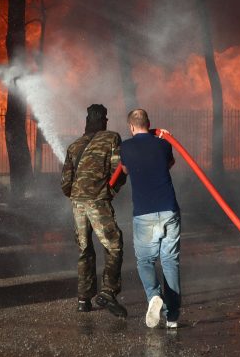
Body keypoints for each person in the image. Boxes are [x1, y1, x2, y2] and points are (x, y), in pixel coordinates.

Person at [61, 104, 128, 318]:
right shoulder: (111, 138)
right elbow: (119, 170)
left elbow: (65, 183)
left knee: (84, 250)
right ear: (104, 120)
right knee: (114, 244)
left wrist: (76, 195)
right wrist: (110, 191)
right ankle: (108, 292)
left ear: (87, 120)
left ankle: (83, 299)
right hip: (98, 201)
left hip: (77, 203)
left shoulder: (74, 146)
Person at [119, 108, 181, 329]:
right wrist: (161, 136)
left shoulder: (125, 146)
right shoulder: (164, 144)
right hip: (169, 210)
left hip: (144, 213)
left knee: (145, 261)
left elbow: (124, 170)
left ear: (131, 126)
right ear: (149, 123)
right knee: (170, 261)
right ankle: (172, 317)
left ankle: (154, 297)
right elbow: (169, 164)